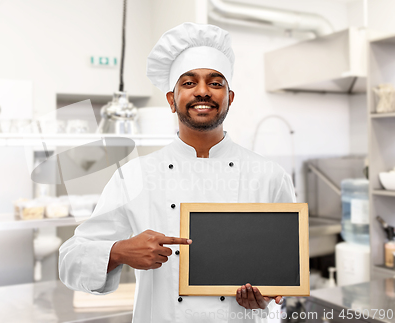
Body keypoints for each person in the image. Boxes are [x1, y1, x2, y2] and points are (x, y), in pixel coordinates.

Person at [59, 22, 296, 323]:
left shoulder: (270, 177)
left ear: (230, 98)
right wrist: (118, 251)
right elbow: (69, 261)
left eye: (215, 82)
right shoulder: (134, 176)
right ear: (171, 101)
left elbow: (283, 270)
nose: (202, 91)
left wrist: (267, 298)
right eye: (188, 83)